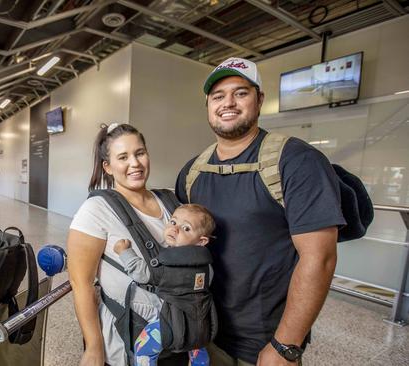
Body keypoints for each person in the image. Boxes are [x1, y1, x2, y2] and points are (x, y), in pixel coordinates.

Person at [175, 57, 345, 365]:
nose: (228, 102)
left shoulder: (296, 161)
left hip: (263, 344)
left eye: (240, 93)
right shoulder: (192, 172)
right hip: (202, 331)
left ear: (259, 100)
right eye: (218, 96)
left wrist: (285, 346)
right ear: (208, 106)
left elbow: (319, 258)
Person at [68, 123, 188, 366]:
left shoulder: (169, 199)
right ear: (108, 167)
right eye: (123, 157)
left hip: (180, 331)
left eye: (140, 153)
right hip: (130, 342)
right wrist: (93, 347)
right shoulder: (96, 210)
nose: (135, 163)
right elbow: (81, 283)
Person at [113, 203, 215, 366]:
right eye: (173, 222)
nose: (175, 229)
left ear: (201, 241)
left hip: (170, 322)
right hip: (200, 323)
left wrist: (124, 252)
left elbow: (142, 274)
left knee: (143, 349)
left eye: (186, 228)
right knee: (197, 347)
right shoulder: (207, 266)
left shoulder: (171, 263)